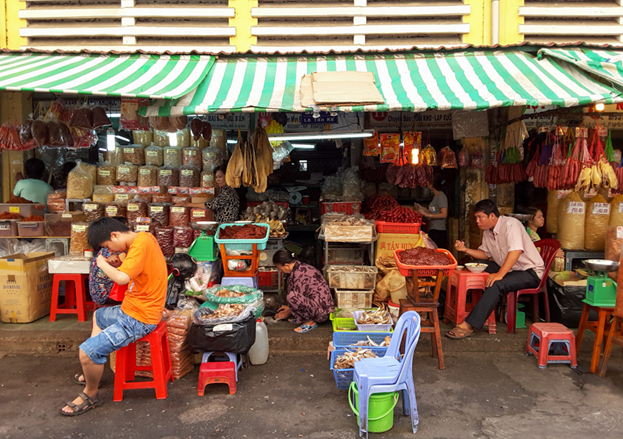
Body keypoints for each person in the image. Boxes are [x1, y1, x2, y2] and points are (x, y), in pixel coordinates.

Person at [60, 217, 167, 416]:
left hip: (139, 319)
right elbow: (135, 265)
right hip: (131, 309)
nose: (112, 251)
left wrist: (101, 262)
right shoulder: (144, 238)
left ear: (115, 235)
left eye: (108, 246)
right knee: (99, 315)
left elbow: (122, 278)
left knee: (86, 352)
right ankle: (93, 364)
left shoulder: (140, 244)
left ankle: (90, 393)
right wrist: (120, 260)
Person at [447, 199, 544, 339]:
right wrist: (466, 250)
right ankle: (469, 307)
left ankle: (469, 325)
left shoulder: (511, 224)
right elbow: (485, 255)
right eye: (476, 218)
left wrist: (499, 274)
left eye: (480, 217)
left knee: (496, 284)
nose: (477, 221)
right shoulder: (488, 232)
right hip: (511, 269)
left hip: (529, 272)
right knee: (478, 265)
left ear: (492, 216)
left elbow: (515, 252)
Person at [273, 250, 335, 333]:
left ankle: (310, 322)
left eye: (280, 268)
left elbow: (298, 298)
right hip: (318, 306)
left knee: (292, 296)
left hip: (321, 313)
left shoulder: (300, 275)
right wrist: (289, 308)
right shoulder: (300, 267)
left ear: (287, 265)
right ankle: (302, 318)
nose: (280, 271)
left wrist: (285, 313)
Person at [87, 217, 128, 306]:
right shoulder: (118, 250)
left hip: (96, 294)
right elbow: (125, 276)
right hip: (107, 296)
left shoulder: (104, 249)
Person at [414, 174, 448, 249]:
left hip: (439, 232)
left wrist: (427, 215)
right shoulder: (435, 196)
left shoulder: (441, 196)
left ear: (431, 184)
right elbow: (432, 211)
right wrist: (421, 208)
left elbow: (444, 214)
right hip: (433, 230)